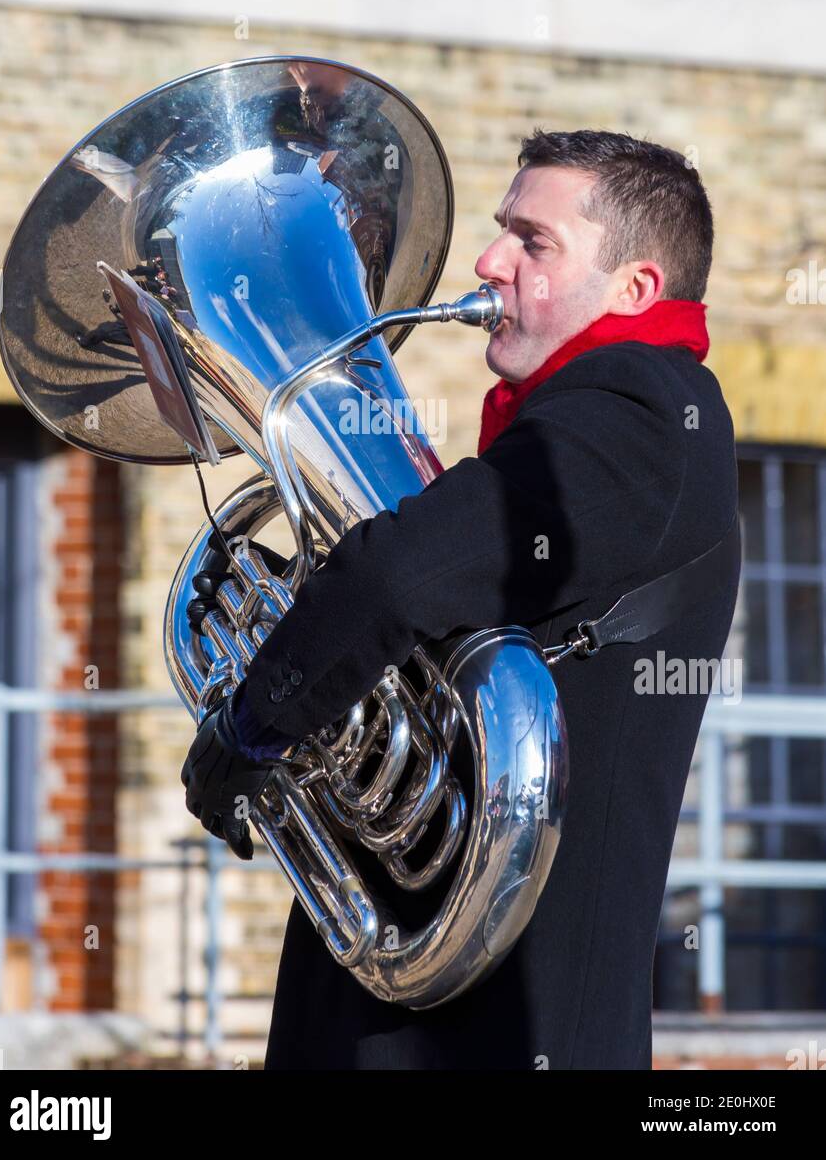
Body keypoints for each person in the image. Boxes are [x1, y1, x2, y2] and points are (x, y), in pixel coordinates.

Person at [181, 129, 741, 1070]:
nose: (489, 262)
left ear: (635, 289)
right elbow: (420, 596)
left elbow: (399, 577)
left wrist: (253, 726)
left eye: (534, 242)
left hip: (488, 1031)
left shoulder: (643, 410)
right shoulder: (593, 416)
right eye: (499, 232)